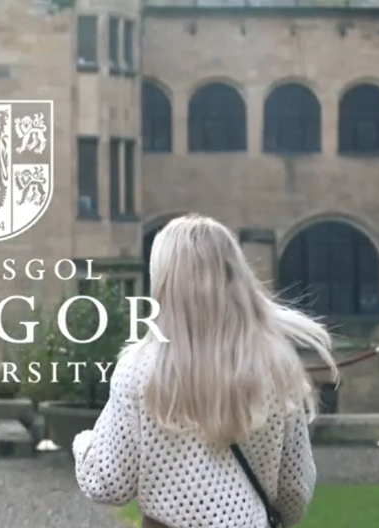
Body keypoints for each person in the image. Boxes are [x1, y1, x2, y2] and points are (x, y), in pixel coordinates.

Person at [73, 214, 337, 528]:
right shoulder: (276, 364)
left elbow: (108, 482)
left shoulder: (140, 369)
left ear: (164, 280)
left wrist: (83, 443)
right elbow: (295, 486)